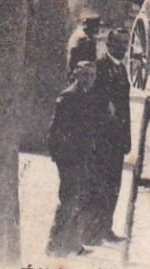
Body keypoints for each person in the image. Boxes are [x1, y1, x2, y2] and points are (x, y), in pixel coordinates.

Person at [46, 61, 101, 256]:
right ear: (77, 75)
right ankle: (53, 244)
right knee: (69, 199)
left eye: (92, 75)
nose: (89, 79)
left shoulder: (86, 96)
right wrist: (63, 158)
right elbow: (55, 132)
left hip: (81, 155)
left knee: (78, 198)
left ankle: (72, 243)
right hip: (69, 158)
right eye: (85, 75)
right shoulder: (68, 97)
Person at [83, 30, 131, 245]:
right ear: (109, 45)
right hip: (102, 139)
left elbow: (125, 108)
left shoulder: (121, 68)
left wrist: (127, 137)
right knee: (99, 186)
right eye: (119, 43)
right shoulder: (100, 67)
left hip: (118, 138)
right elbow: (92, 102)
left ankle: (106, 228)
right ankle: (93, 231)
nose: (123, 47)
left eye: (125, 43)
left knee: (114, 185)